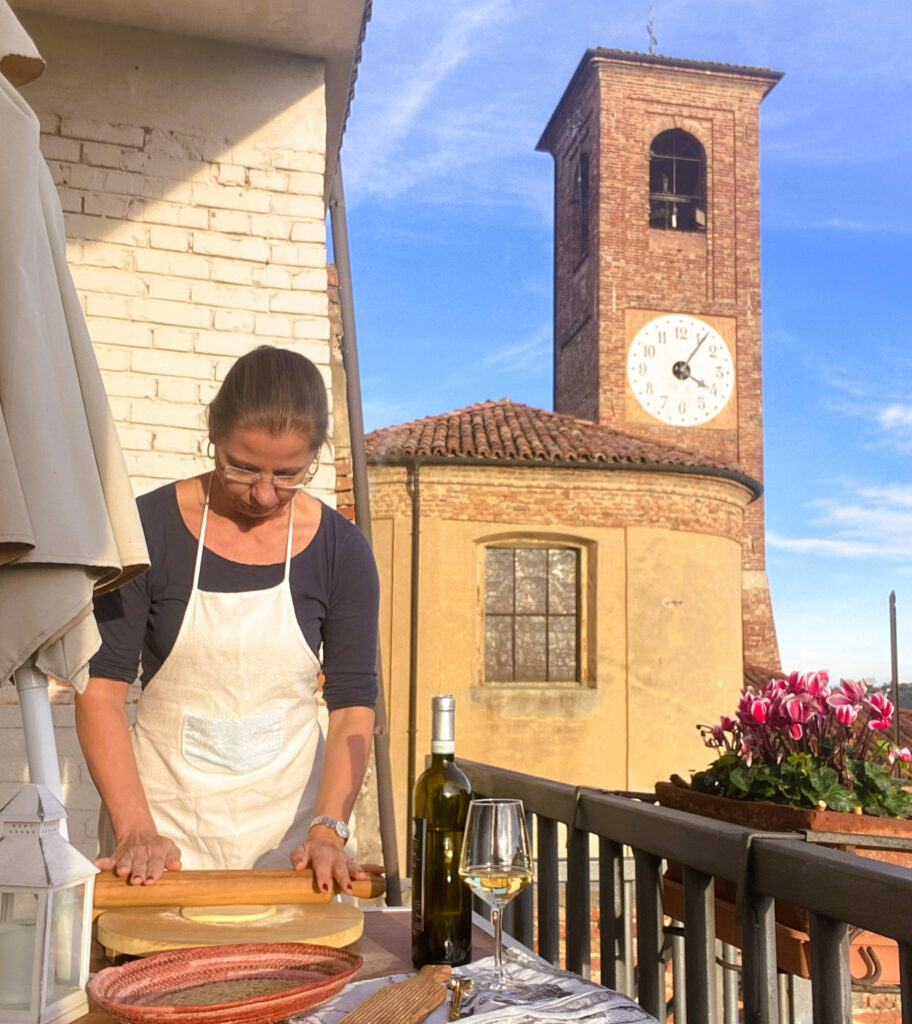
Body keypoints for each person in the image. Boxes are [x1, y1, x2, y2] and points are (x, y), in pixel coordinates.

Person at [75, 346, 380, 894]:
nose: (264, 493)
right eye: (242, 467)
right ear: (213, 433)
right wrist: (135, 829)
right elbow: (100, 692)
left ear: (315, 454)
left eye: (288, 475)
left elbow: (353, 705)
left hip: (295, 838)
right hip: (161, 833)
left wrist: (329, 831)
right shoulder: (145, 530)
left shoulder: (343, 550)